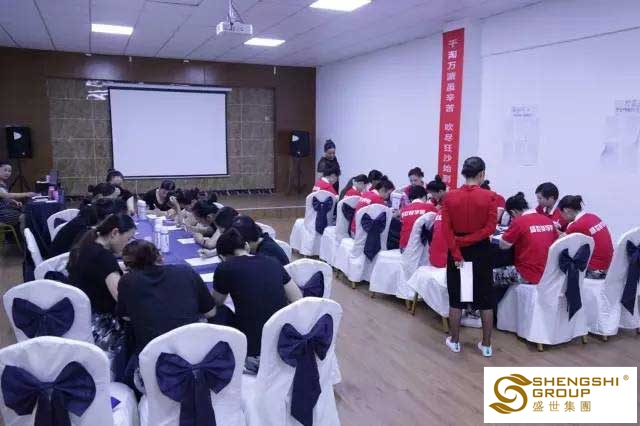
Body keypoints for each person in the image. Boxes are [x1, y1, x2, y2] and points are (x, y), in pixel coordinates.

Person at [117, 240, 216, 378]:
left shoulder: (127, 282)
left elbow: (125, 317)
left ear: (128, 266)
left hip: (155, 365)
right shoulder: (185, 271)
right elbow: (211, 312)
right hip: (194, 357)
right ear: (159, 257)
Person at [212, 229, 302, 359]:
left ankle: (230, 356)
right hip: (282, 338)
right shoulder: (273, 261)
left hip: (252, 346)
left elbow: (216, 302)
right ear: (246, 246)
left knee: (218, 312)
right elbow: (297, 297)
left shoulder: (224, 268)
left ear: (222, 257)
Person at [66, 213, 136, 378]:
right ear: (114, 233)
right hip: (99, 327)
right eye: (127, 239)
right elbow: (122, 301)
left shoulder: (87, 246)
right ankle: (129, 377)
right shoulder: (104, 258)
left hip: (79, 319)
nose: (127, 245)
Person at [441, 156, 497, 357]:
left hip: (458, 252)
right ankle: (487, 345)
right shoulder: (490, 197)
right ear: (482, 174)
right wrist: (470, 240)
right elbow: (491, 228)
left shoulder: (449, 197)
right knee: (485, 299)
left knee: (457, 298)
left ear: (463, 173)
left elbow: (446, 229)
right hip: (481, 250)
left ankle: (455, 341)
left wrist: (458, 250)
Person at [496, 192, 558, 285]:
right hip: (548, 273)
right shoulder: (547, 220)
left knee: (490, 276)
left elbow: (503, 245)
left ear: (513, 212)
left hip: (527, 274)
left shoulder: (519, 222)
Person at [558, 195, 614, 278]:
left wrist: (551, 227)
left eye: (562, 214)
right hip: (610, 266)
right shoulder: (593, 216)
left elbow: (558, 242)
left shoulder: (576, 225)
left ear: (567, 210)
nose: (562, 218)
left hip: (594, 271)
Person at [0, 161, 36, 229]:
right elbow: (6, 195)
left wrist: (15, 201)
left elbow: (4, 197)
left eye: (9, 171)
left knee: (26, 210)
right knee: (25, 216)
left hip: (5, 209)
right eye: (5, 170)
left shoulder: (3, 182)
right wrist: (27, 194)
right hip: (1, 213)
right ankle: (24, 235)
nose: (7, 173)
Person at [399, 186, 437, 250]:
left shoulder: (403, 209)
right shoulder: (429, 207)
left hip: (403, 248)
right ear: (424, 196)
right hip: (420, 249)